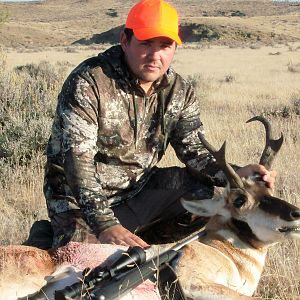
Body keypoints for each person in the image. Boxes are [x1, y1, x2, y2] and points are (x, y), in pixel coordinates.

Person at [43, 0, 276, 249]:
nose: (155, 56)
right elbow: (78, 164)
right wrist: (105, 224)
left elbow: (195, 152)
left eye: (165, 45)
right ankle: (49, 238)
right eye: (145, 44)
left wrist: (236, 173)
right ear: (125, 41)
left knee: (212, 198)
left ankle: (139, 247)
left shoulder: (179, 91)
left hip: (138, 190)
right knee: (86, 268)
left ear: (175, 47)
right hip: (79, 203)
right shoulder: (89, 82)